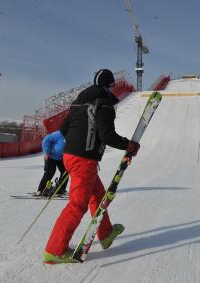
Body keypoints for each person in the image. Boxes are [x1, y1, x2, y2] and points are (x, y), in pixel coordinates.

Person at [43, 69, 140, 264]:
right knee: (77, 205)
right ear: (109, 86)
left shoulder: (78, 103)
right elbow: (107, 135)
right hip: (83, 160)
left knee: (98, 195)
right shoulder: (103, 104)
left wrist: (78, 139)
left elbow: (63, 129)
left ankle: (105, 234)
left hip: (71, 157)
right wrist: (129, 145)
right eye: (112, 86)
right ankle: (54, 251)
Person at [35, 130, 68, 196]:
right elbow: (46, 140)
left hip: (61, 157)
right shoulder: (59, 134)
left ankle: (60, 189)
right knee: (50, 171)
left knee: (65, 172)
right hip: (50, 155)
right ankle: (41, 190)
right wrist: (46, 151)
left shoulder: (72, 136)